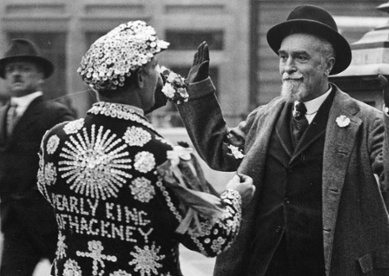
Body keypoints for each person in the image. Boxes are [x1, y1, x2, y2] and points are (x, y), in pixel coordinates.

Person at [176, 5, 389, 276]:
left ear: (327, 65)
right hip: (263, 266)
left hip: (331, 266)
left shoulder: (366, 121)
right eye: (283, 57)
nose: (288, 68)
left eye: (300, 58)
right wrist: (199, 91)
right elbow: (220, 152)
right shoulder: (265, 116)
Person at [37, 20, 254, 276]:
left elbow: (51, 194)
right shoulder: (168, 157)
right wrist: (234, 196)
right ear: (140, 77)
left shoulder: (55, 139)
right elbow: (213, 238)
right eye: (155, 68)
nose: (161, 75)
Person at [0, 38, 75, 275]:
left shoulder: (55, 113)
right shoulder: (1, 115)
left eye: (24, 68)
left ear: (40, 75)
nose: (16, 75)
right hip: (15, 225)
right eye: (11, 70)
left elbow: (72, 165)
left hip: (52, 223)